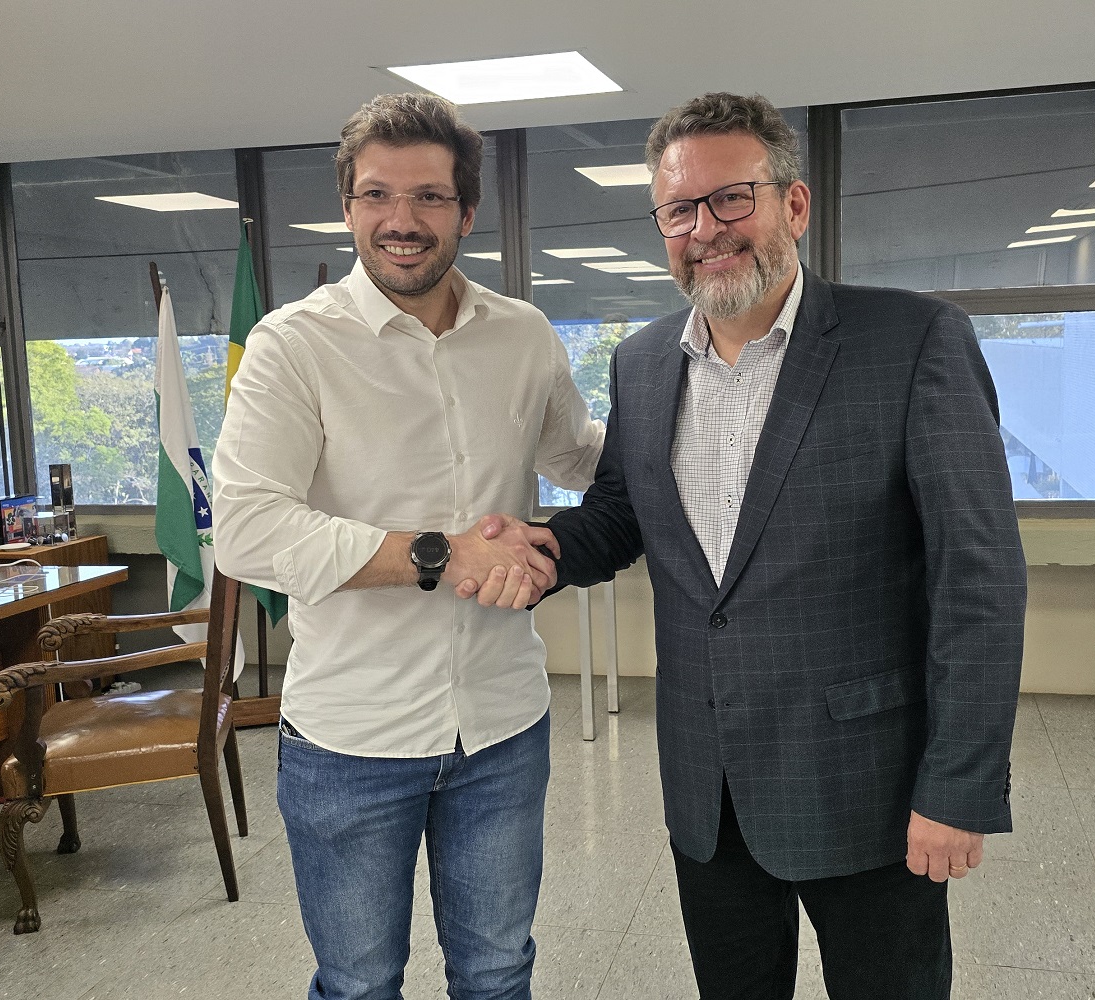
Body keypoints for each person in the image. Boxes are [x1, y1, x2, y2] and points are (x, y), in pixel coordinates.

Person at [463, 93, 1026, 1000]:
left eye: (731, 198)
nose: (705, 230)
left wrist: (956, 788)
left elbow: (979, 580)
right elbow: (624, 510)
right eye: (678, 210)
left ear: (791, 205)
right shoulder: (643, 362)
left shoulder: (911, 339)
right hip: (708, 786)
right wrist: (542, 550)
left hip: (867, 786)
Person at [212, 92, 604, 1000]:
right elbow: (247, 529)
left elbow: (576, 454)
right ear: (348, 207)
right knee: (358, 985)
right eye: (377, 195)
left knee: (498, 975)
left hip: (502, 724)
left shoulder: (522, 334)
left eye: (429, 196)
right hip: (351, 736)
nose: (402, 220)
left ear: (467, 210)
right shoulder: (293, 346)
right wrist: (443, 554)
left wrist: (694, 440)